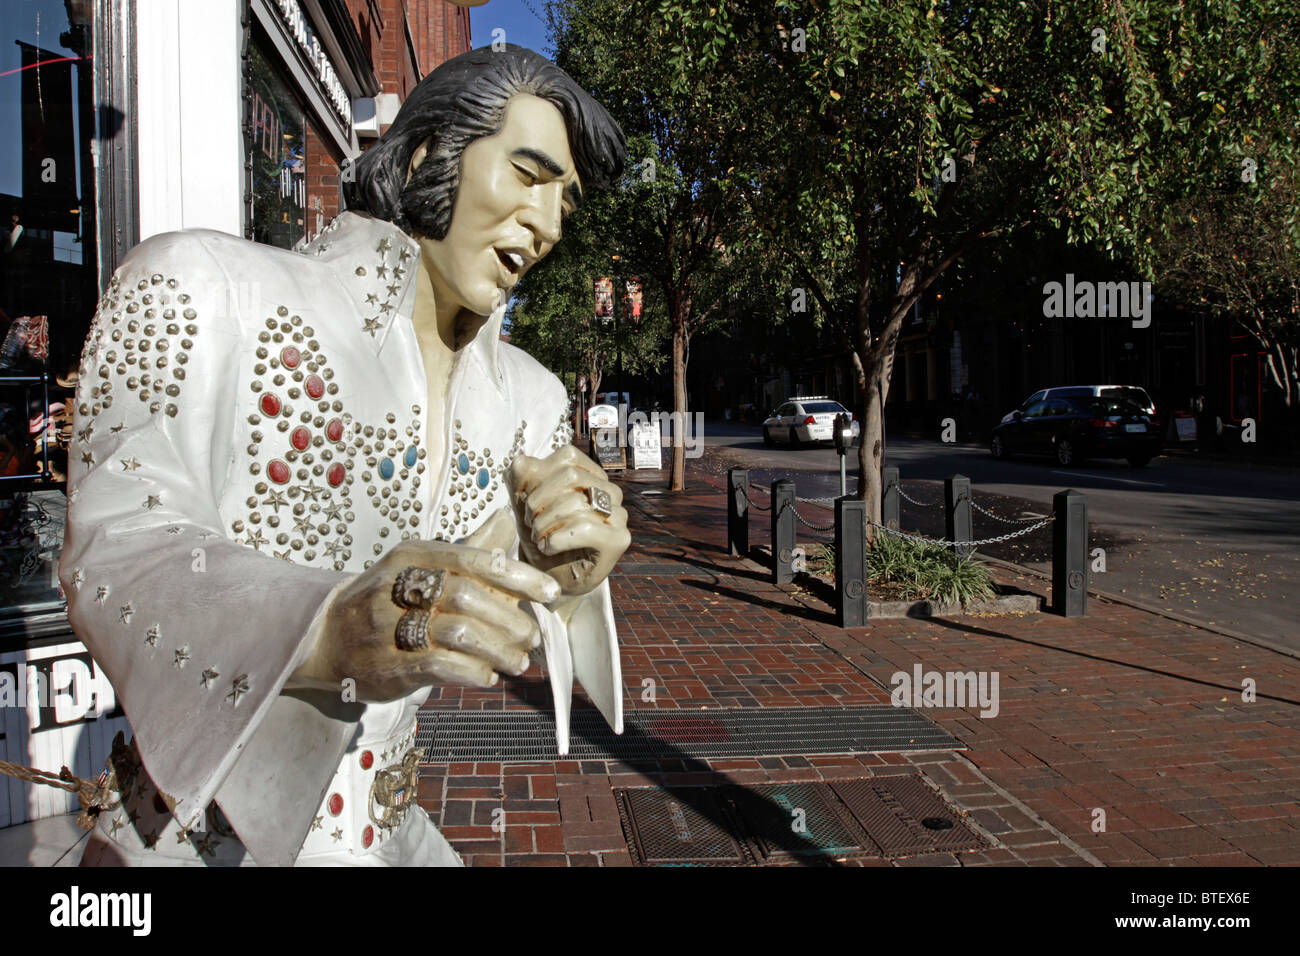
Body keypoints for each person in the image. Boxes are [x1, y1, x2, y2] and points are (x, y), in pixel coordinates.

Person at [60, 46, 630, 866]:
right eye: (528, 173)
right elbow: (115, 548)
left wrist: (563, 572)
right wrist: (324, 631)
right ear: (433, 152)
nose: (548, 223)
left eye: (565, 199)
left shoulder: (530, 401)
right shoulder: (199, 289)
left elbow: (515, 595)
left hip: (395, 837)